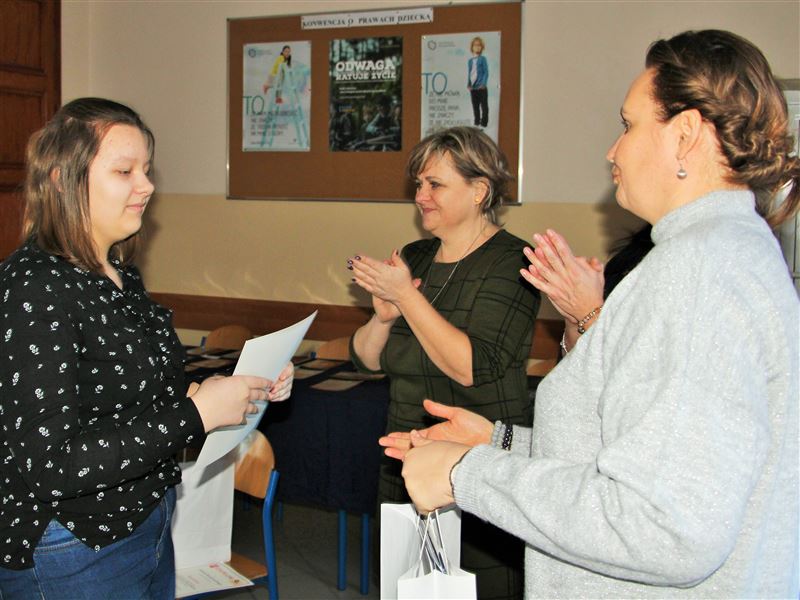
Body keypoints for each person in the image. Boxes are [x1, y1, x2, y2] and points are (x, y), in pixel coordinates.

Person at [384, 30, 799, 598]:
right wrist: (501, 444)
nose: (612, 151)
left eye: (628, 125)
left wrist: (466, 474)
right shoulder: (713, 252)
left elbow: (662, 528)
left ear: (685, 136)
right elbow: (643, 457)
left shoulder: (700, 271)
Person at [0, 98, 295, 598]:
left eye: (147, 169)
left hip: (147, 519)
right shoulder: (34, 288)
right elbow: (53, 465)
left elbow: (138, 396)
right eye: (124, 171)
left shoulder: (120, 274)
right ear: (62, 180)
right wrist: (196, 414)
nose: (147, 186)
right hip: (72, 546)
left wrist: (230, 389)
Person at [348, 126, 540, 599]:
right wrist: (381, 318)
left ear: (479, 191)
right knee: (407, 585)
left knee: (479, 586)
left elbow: (472, 366)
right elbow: (366, 359)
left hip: (477, 461)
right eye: (418, 184)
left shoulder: (514, 262)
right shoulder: (415, 256)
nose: (420, 196)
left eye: (435, 184)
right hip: (405, 455)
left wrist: (406, 298)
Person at [525, 225, 653, 354]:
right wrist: (574, 321)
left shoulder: (662, 262)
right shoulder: (633, 253)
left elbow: (638, 359)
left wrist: (588, 312)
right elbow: (577, 358)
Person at [467, 37, 489, 128]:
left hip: (481, 87)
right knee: (475, 106)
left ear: (482, 47)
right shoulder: (470, 61)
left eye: (479, 45)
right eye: (475, 45)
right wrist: (468, 84)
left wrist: (483, 84)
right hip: (473, 88)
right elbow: (470, 73)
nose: (477, 47)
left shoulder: (483, 59)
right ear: (472, 47)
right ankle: (476, 122)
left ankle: (484, 123)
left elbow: (486, 72)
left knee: (484, 106)